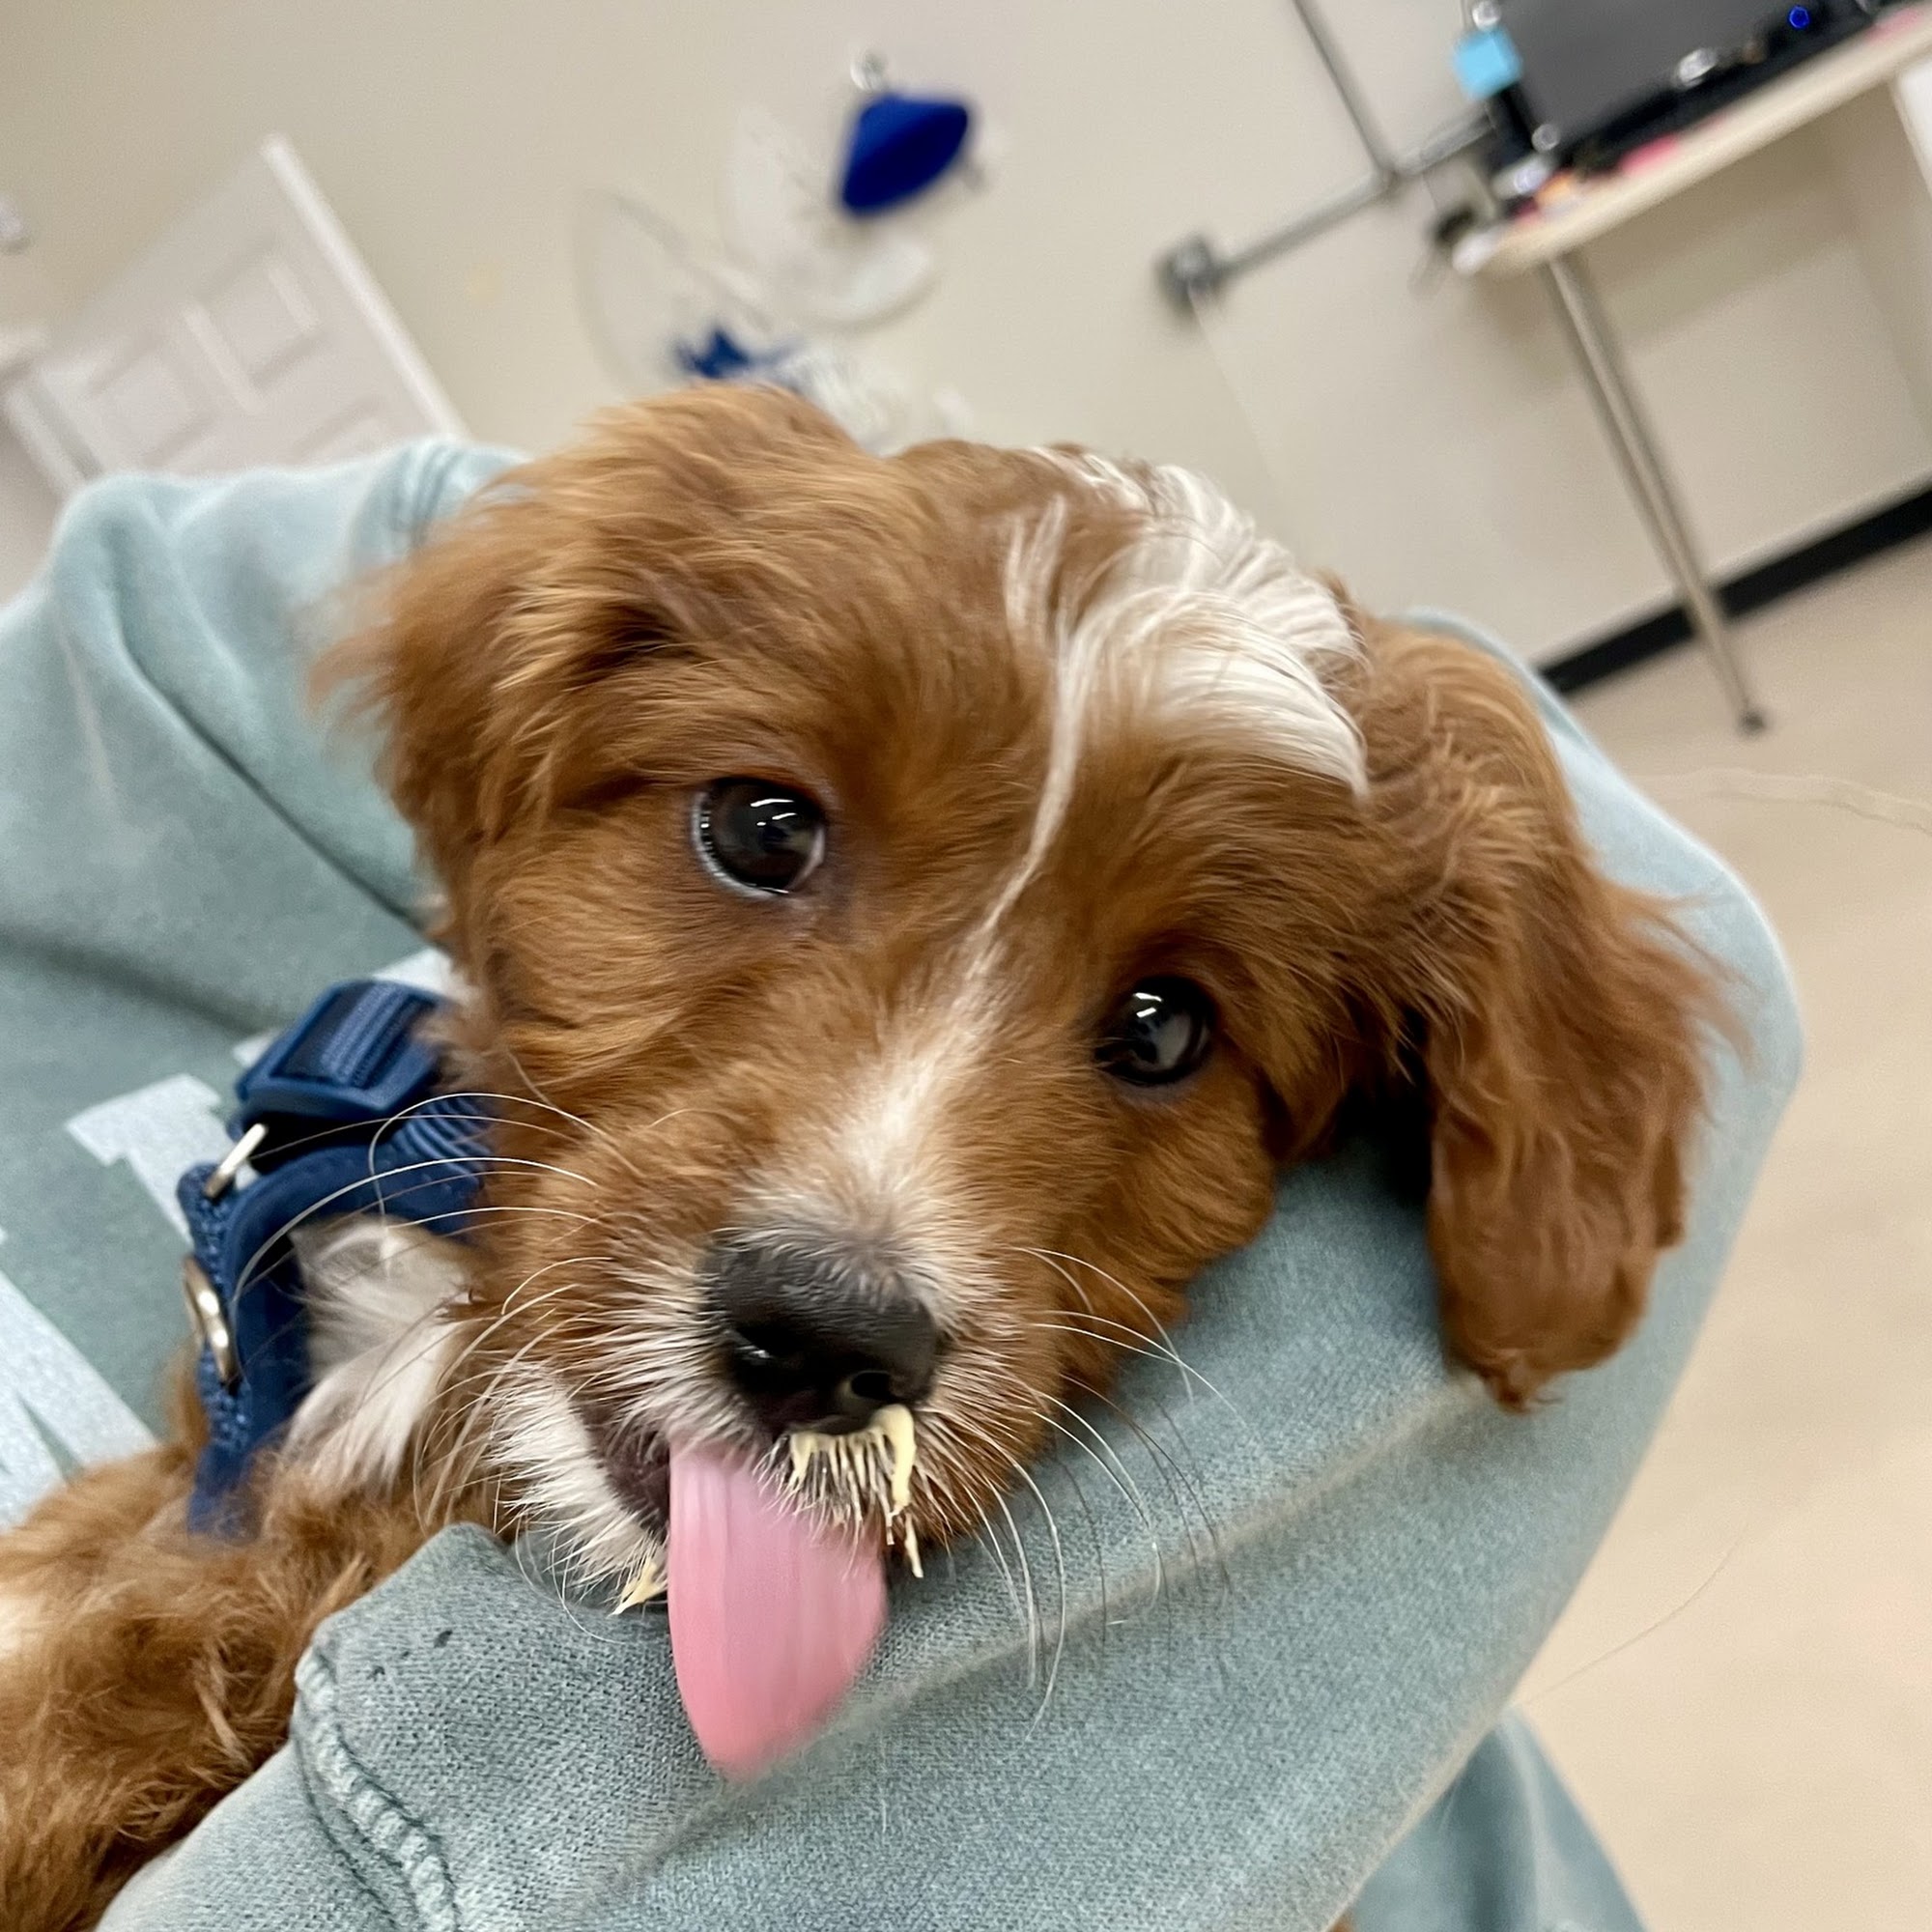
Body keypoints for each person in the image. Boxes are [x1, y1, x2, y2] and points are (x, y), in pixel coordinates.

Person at [0, 440, 1800, 1931]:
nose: (871, 1209)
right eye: (762, 836)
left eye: (1160, 1032)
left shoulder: (150, 644)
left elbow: (1602, 1194)